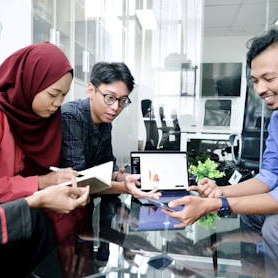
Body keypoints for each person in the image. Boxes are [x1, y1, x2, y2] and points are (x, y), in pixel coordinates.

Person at [0, 1, 89, 277]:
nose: (57, 104)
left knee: (47, 222)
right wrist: (42, 186)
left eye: (62, 97)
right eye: (52, 95)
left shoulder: (26, 117)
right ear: (30, 82)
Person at [163, 27, 278, 277]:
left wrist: (216, 204)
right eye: (255, 81)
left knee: (273, 226)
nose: (259, 90)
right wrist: (221, 190)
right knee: (254, 215)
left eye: (269, 79)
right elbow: (270, 176)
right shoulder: (276, 119)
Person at [59, 62, 161, 273]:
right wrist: (123, 187)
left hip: (86, 210)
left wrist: (119, 177)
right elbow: (78, 180)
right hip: (64, 212)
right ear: (90, 90)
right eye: (110, 98)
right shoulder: (72, 117)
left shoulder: (105, 123)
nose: (116, 107)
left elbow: (106, 164)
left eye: (123, 101)